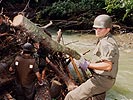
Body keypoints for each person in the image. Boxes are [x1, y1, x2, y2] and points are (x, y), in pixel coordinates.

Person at [64, 14, 119, 100]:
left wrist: (88, 65)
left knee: (70, 97)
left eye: (100, 28)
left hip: (101, 80)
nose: (97, 31)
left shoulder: (106, 43)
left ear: (108, 29)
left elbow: (108, 66)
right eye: (96, 28)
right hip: (107, 80)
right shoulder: (107, 39)